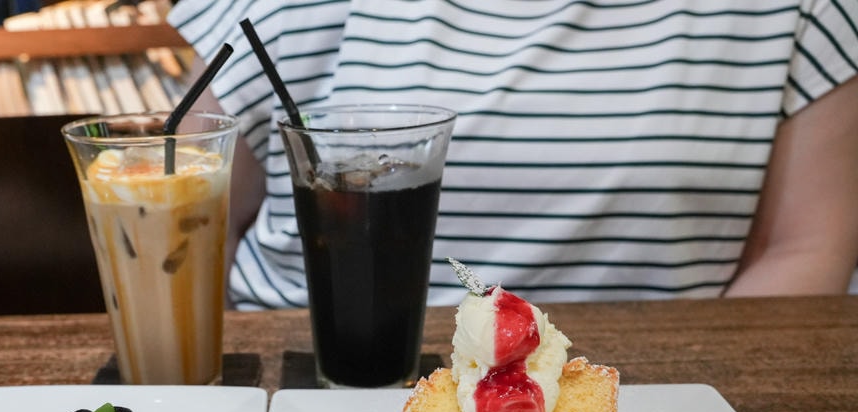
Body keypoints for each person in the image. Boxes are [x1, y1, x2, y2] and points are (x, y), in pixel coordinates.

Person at [166, 0, 858, 308]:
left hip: (664, 406)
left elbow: (805, 249)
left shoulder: (797, 10)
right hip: (299, 380)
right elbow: (172, 219)